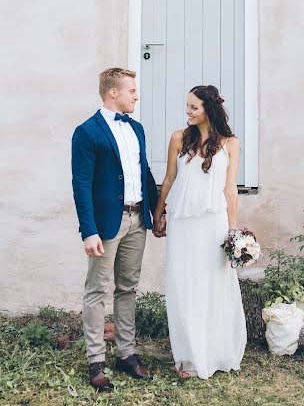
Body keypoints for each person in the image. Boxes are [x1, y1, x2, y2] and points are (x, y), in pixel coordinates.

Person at [71, 67, 163, 391]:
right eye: (132, 90)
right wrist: (89, 230)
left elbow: (144, 171)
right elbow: (81, 184)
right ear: (113, 93)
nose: (136, 95)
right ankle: (96, 362)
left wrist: (156, 210)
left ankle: (127, 354)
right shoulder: (87, 132)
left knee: (128, 288)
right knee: (97, 291)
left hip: (138, 220)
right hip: (107, 225)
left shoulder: (136, 128)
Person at [152, 85, 247, 380]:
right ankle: (189, 356)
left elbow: (230, 189)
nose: (188, 111)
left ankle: (215, 352)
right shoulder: (178, 138)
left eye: (194, 107)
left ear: (209, 109)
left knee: (213, 284)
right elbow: (168, 179)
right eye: (187, 106)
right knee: (185, 284)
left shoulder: (230, 143)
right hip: (183, 223)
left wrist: (233, 232)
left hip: (214, 223)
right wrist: (158, 214)